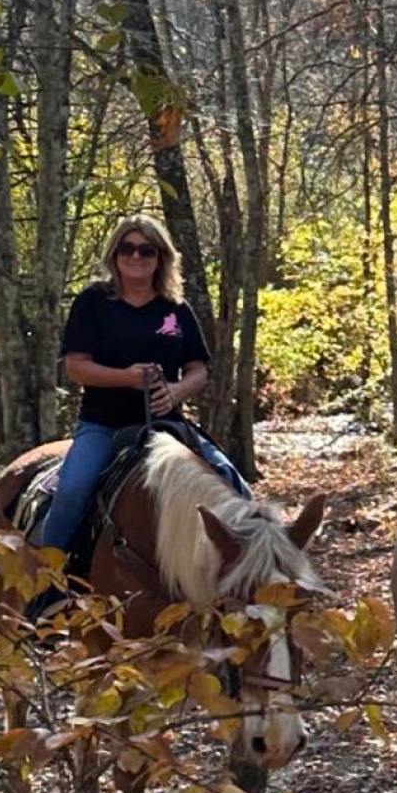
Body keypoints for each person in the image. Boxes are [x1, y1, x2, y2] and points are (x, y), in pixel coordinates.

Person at [38, 214, 248, 566]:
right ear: (114, 254)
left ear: (160, 258)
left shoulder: (175, 310)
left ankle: (245, 576)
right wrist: (127, 378)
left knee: (235, 484)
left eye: (146, 250)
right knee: (73, 492)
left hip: (168, 427)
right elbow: (75, 367)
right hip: (104, 425)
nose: (136, 257)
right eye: (127, 249)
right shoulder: (93, 302)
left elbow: (198, 369)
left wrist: (177, 390)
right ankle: (45, 581)